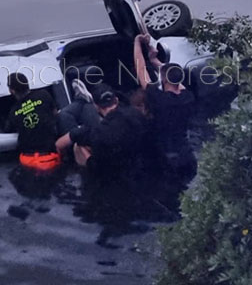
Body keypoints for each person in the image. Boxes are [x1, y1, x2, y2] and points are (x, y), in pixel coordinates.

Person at [133, 34, 197, 179]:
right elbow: (174, 79)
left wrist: (137, 42)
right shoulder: (188, 97)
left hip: (164, 154)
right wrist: (154, 60)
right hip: (185, 153)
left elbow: (141, 69)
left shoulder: (158, 98)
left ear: (164, 79)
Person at [55, 83, 146, 175]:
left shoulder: (96, 131)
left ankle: (81, 100)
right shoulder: (136, 115)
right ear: (116, 100)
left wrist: (87, 159)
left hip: (108, 173)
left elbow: (59, 144)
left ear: (96, 107)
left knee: (76, 141)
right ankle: (82, 100)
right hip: (138, 169)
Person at [4, 72, 61, 172]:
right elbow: (56, 114)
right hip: (51, 156)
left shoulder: (13, 112)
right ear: (28, 84)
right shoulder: (44, 95)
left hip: (29, 159)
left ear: (11, 91)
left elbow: (7, 130)